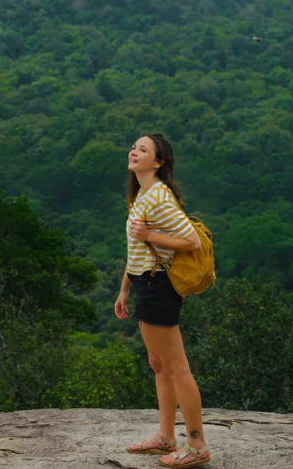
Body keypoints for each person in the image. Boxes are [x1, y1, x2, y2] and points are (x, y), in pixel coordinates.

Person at [115, 134, 211, 468]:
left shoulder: (158, 196)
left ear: (158, 162)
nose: (134, 151)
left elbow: (190, 241)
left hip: (159, 287)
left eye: (143, 149)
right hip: (145, 283)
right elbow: (137, 250)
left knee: (176, 368)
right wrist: (125, 288)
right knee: (159, 365)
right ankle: (166, 437)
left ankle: (197, 445)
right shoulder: (142, 195)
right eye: (133, 147)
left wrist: (149, 235)